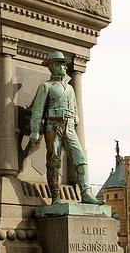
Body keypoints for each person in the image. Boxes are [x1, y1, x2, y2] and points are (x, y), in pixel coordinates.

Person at [29, 50, 99, 205]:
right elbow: (37, 111)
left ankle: (86, 193)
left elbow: (75, 110)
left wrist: (74, 120)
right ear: (53, 66)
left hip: (69, 127)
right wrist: (35, 130)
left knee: (80, 159)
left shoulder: (70, 88)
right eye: (61, 65)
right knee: (53, 161)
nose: (65, 68)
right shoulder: (45, 86)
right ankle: (55, 198)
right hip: (53, 126)